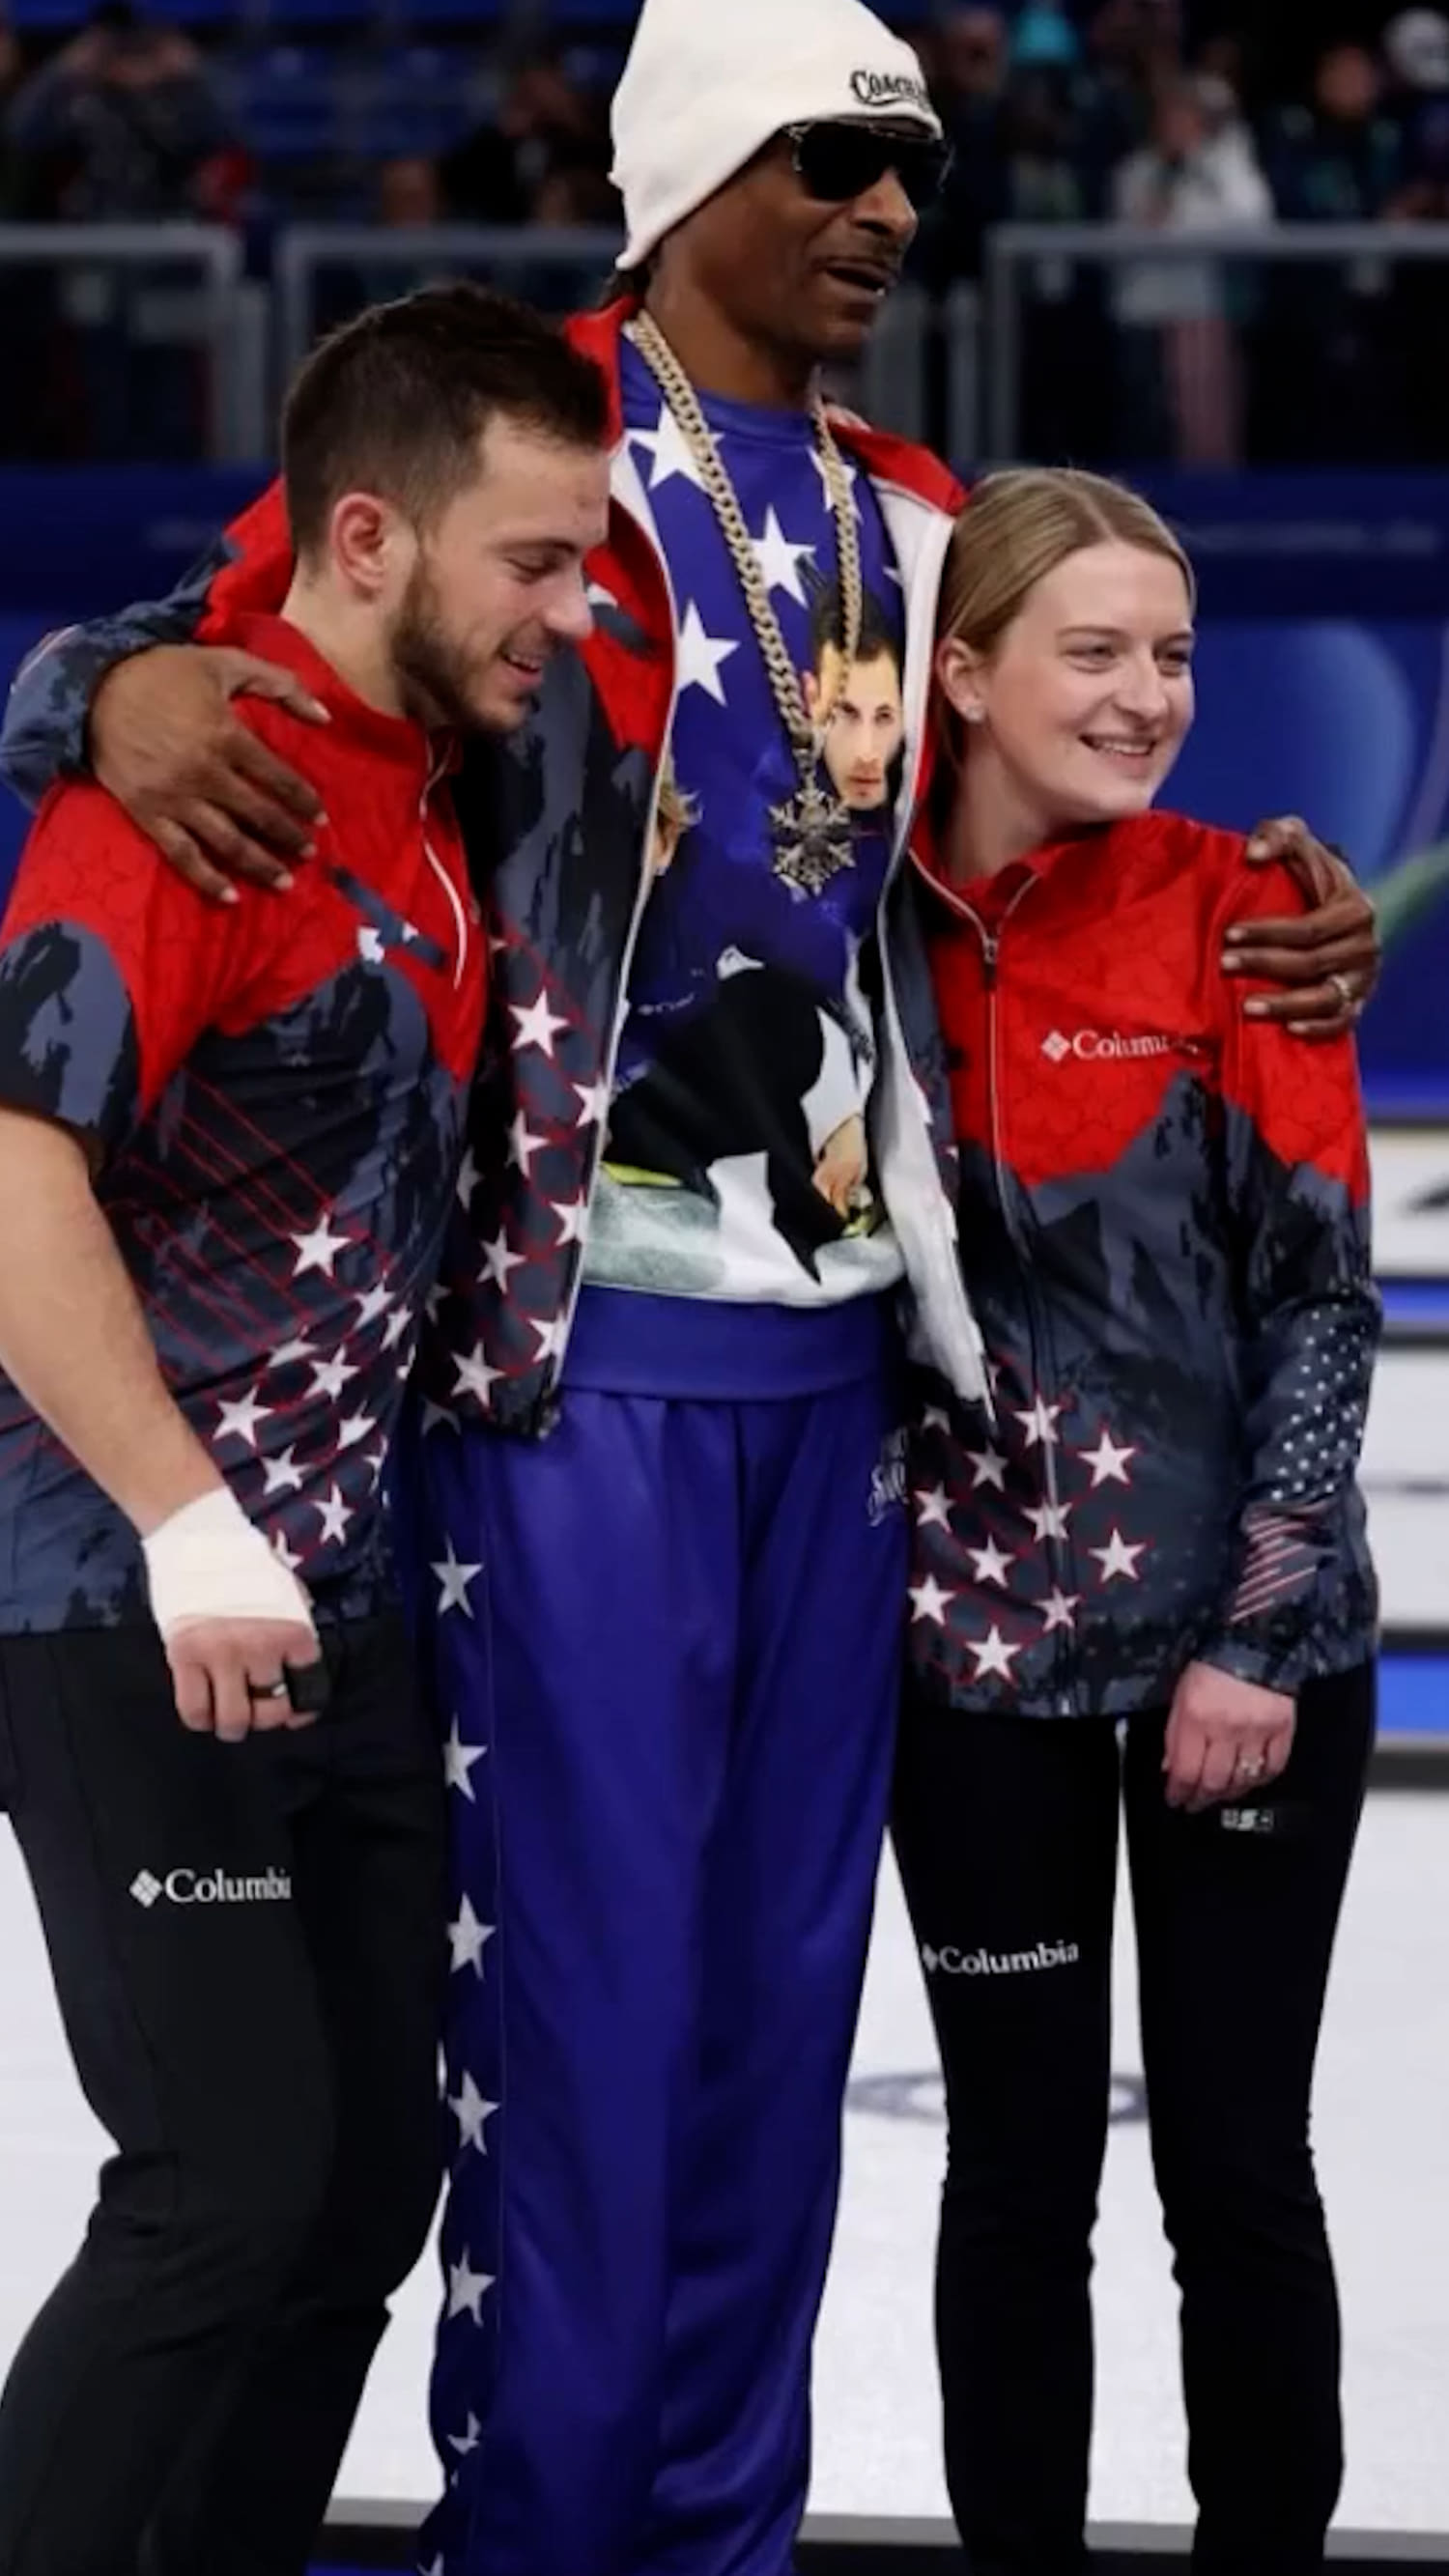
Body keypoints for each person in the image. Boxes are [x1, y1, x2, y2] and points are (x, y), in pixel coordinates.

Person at [0, 5, 1380, 2570]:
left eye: (913, 169)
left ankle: (715, 2549)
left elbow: (1061, 809)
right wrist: (89, 678)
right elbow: (248, 655)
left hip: (846, 1397)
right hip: (565, 1400)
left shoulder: (921, 506)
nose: (883, 211)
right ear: (681, 174)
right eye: (831, 161)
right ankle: (543, 2542)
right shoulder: (538, 447)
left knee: (765, 2069)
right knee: (582, 2060)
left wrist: (1262, 897)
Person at [0, 284, 609, 2576]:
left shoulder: (440, 789)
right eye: (534, 564)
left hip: (346, 1612)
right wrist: (180, 1520)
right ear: (367, 536)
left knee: (359, 2184)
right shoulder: (198, 784)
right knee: (225, 2178)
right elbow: (11, 1164)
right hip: (119, 1593)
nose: (571, 611)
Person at [894, 467, 1379, 2576]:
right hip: (970, 1660)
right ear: (966, 670)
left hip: (1242, 1667)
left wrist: (1257, 1639)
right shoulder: (846, 925)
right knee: (1012, 2169)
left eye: (1171, 651)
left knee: (1236, 2164)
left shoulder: (1243, 909)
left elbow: (1325, 1301)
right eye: (1092, 650)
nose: (1148, 693)